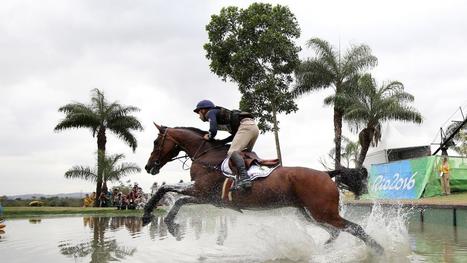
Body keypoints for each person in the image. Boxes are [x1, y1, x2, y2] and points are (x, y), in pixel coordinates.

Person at [194, 99, 259, 191]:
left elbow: (213, 131)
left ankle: (245, 179)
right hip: (253, 128)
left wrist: (208, 137)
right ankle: (252, 177)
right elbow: (234, 135)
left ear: (203, 110)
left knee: (232, 152)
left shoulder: (210, 113)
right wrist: (222, 142)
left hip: (246, 127)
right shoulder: (222, 116)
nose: (199, 116)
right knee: (245, 154)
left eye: (198, 112)